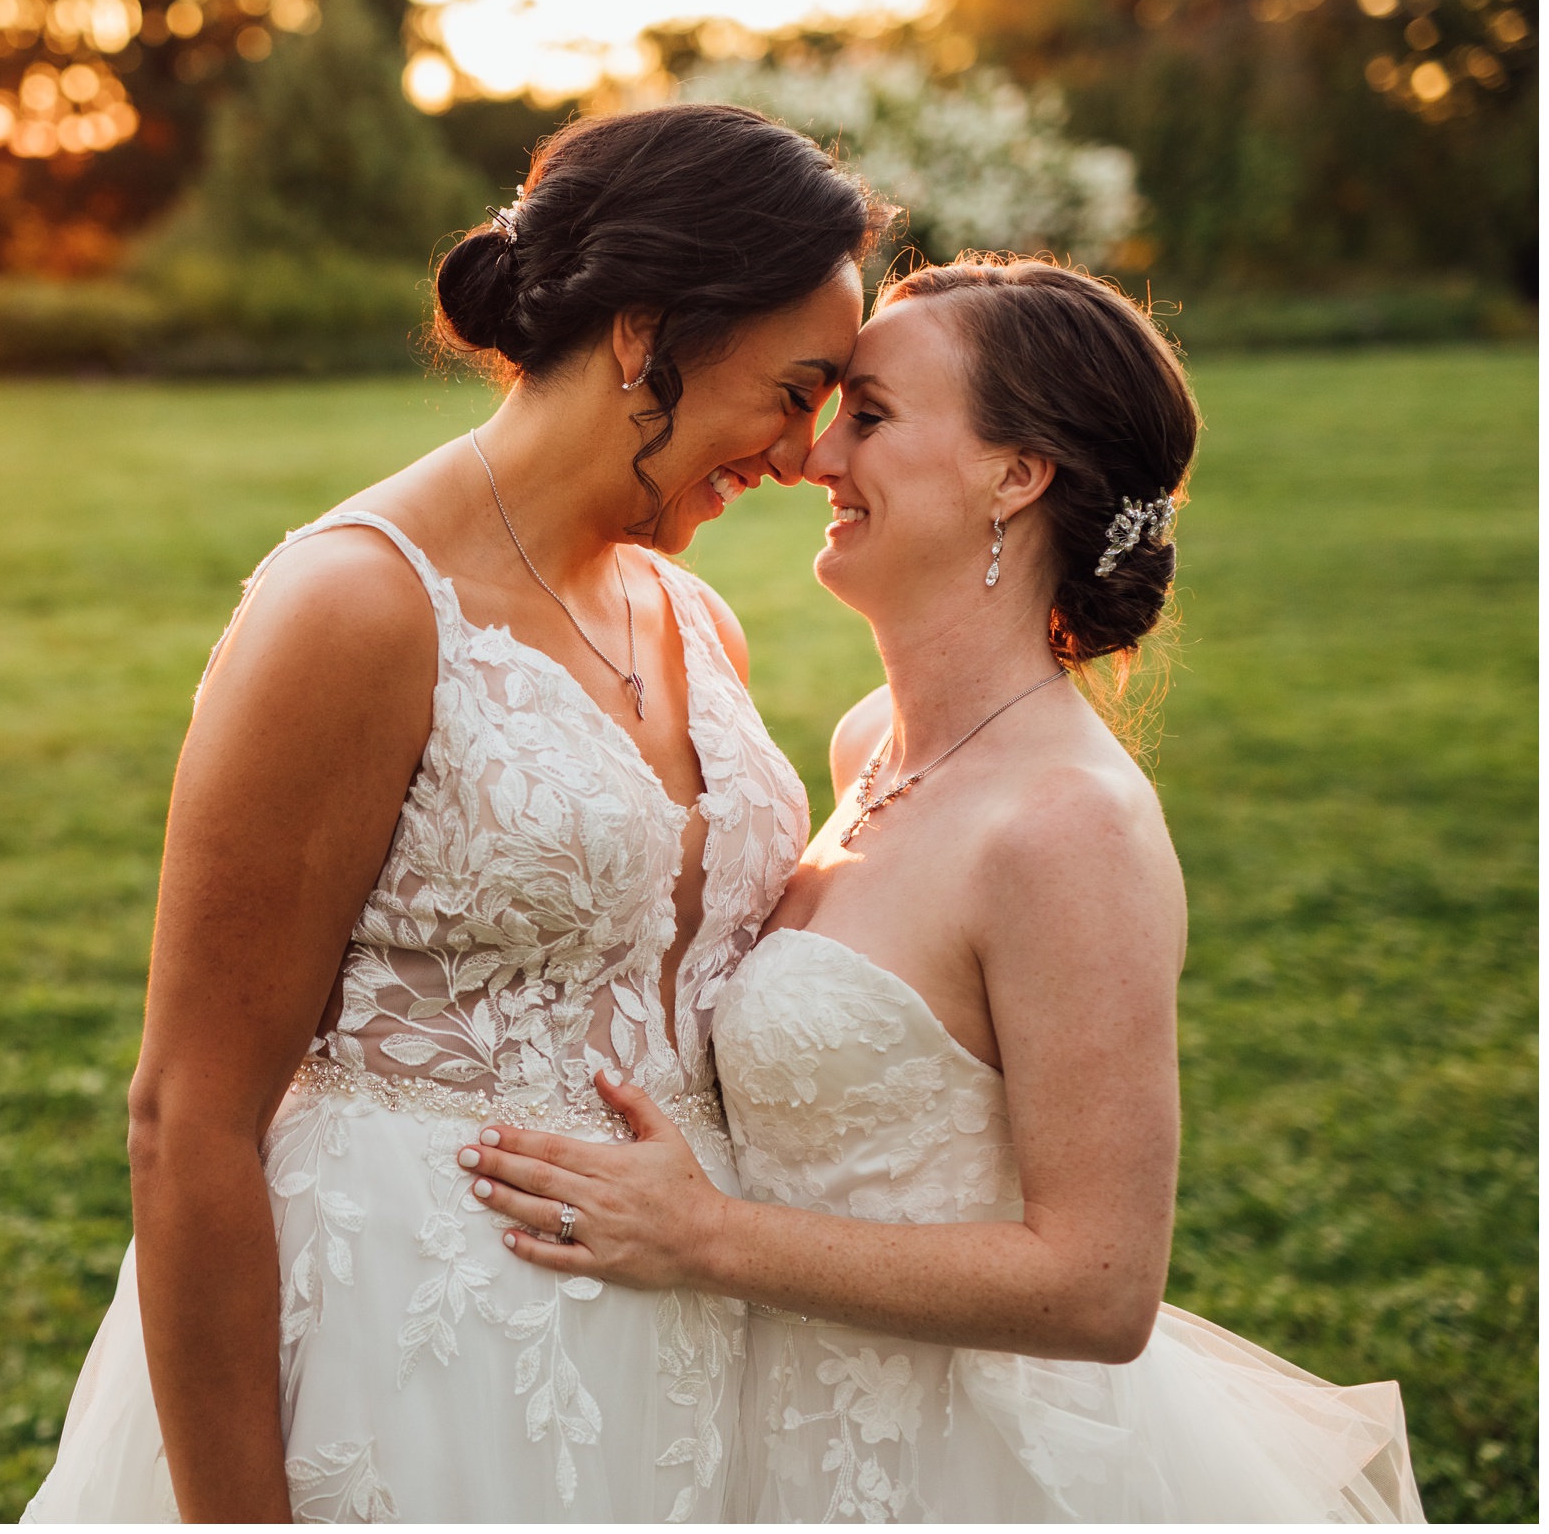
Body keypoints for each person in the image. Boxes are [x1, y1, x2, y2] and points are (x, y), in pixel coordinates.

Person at [22, 104, 890, 1522]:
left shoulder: (693, 617)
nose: (803, 454)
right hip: (405, 1364)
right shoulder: (356, 606)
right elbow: (189, 1116)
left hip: (675, 1372)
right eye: (795, 391)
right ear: (645, 333)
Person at [459, 256, 1424, 1521]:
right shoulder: (870, 740)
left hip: (949, 1463)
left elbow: (1098, 1285)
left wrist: (705, 1236)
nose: (813, 457)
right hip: (766, 1424)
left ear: (1013, 476)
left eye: (867, 415)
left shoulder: (1067, 827)